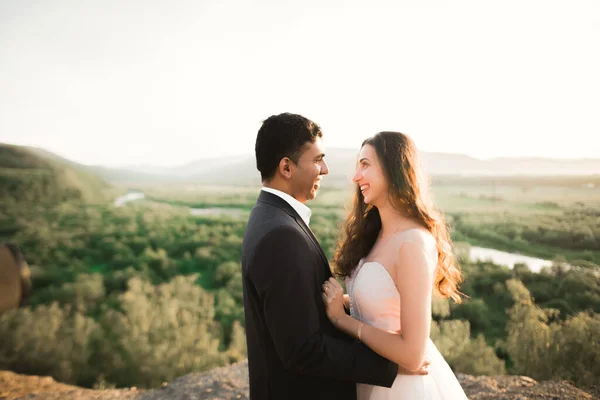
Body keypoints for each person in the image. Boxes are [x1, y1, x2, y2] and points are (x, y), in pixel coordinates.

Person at [242, 114, 430, 400]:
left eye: (365, 165)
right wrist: (389, 366)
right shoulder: (281, 234)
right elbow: (302, 350)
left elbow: (299, 307)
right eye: (318, 159)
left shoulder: (271, 218)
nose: (326, 169)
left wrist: (344, 305)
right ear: (286, 167)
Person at [322, 131, 468, 399]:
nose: (356, 177)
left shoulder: (412, 242)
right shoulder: (376, 233)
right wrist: (341, 300)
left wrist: (342, 320)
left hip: (402, 388)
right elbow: (383, 301)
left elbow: (413, 355)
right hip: (371, 378)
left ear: (393, 168)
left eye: (365, 164)